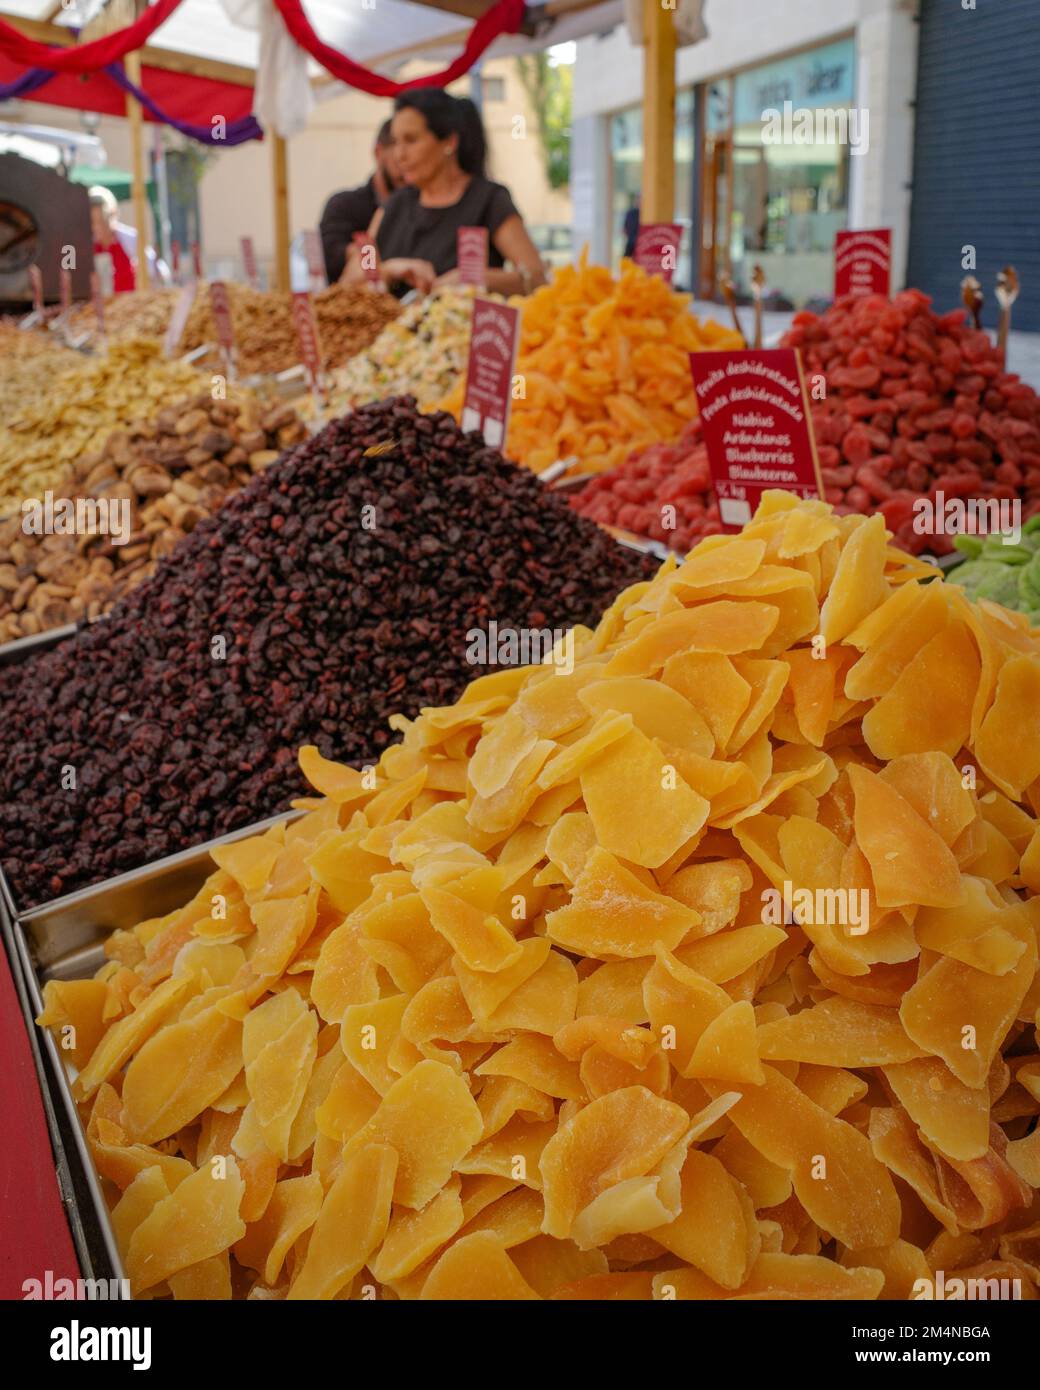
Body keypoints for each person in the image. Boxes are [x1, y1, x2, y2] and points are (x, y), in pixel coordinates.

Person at [343, 88, 546, 298]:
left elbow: (536, 277)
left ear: (449, 142)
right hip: (392, 329)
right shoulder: (392, 206)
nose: (399, 155)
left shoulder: (489, 201)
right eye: (395, 142)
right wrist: (389, 269)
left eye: (411, 140)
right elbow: (354, 274)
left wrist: (469, 279)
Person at [319, 119, 401, 283]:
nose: (405, 158)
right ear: (379, 152)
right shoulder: (344, 205)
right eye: (398, 148)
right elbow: (332, 255)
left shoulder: (419, 207)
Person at [89, 186, 169, 292]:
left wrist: (145, 275)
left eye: (102, 221)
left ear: (113, 214)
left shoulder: (129, 239)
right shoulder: (88, 247)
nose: (97, 227)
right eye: (93, 222)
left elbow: (159, 272)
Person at [622, 194, 640, 259]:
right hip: (630, 240)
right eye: (638, 200)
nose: (639, 202)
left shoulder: (644, 214)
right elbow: (625, 227)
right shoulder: (630, 213)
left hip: (640, 241)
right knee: (626, 259)